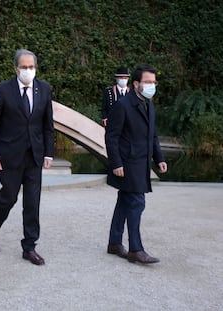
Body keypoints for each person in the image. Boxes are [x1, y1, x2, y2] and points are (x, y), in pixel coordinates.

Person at [0, 49, 55, 265]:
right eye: (24, 67)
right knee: (9, 197)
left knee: (32, 202)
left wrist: (49, 152)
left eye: (31, 67)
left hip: (34, 155)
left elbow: (47, 125)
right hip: (9, 155)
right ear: (16, 68)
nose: (28, 70)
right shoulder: (3, 90)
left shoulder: (44, 89)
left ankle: (29, 247)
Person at [104, 65, 167, 264]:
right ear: (136, 84)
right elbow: (111, 137)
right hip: (127, 163)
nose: (151, 86)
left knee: (125, 202)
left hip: (142, 162)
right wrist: (116, 163)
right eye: (147, 82)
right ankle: (135, 249)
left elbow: (152, 136)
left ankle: (114, 243)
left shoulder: (149, 104)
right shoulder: (123, 105)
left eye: (153, 82)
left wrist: (160, 158)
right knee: (136, 203)